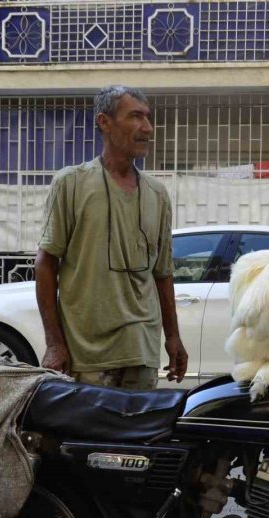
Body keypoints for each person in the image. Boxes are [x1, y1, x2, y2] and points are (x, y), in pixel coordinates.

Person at [35, 85, 187, 389]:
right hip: (87, 352)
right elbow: (45, 264)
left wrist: (173, 337)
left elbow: (162, 273)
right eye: (135, 117)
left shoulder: (157, 194)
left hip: (141, 350)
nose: (147, 127)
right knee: (86, 436)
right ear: (105, 122)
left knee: (138, 435)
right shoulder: (71, 183)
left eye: (148, 118)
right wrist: (54, 344)